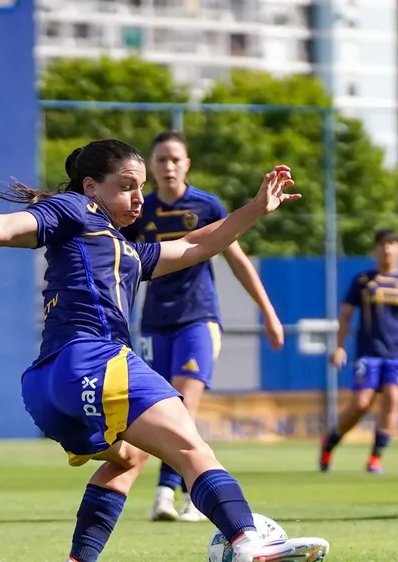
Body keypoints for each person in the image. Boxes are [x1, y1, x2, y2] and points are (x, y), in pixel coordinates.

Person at [0, 139, 329, 562]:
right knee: (192, 450)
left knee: (130, 457)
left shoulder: (127, 251)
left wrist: (256, 208)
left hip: (47, 388)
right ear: (91, 186)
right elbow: (3, 228)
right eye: (126, 186)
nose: (138, 198)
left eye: (140, 187)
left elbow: (197, 244)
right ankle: (247, 542)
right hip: (94, 360)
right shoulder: (75, 210)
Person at [120, 130, 286, 523]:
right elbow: (120, 267)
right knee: (155, 409)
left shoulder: (206, 205)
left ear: (187, 164)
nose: (169, 166)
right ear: (151, 166)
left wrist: (269, 313)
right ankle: (180, 492)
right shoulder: (141, 208)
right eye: (161, 159)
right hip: (154, 323)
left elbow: (237, 259)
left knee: (182, 406)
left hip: (198, 319)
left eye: (175, 159)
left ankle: (171, 493)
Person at [319, 228, 398, 474]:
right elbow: (346, 315)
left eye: (391, 243)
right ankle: (330, 442)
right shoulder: (363, 281)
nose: (386, 248)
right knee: (361, 403)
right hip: (369, 353)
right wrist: (339, 346)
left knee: (393, 398)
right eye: (382, 244)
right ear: (375, 250)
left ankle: (375, 457)